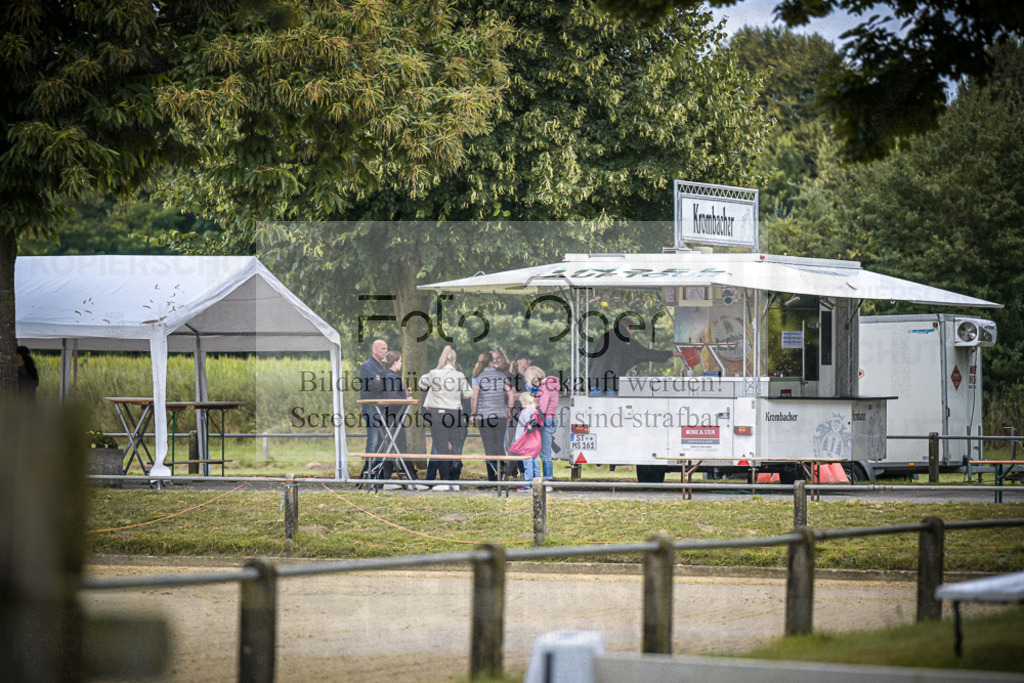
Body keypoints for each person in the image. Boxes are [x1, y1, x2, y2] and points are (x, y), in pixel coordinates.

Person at [419, 346, 472, 491]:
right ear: (454, 360)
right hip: (455, 414)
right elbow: (468, 394)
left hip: (439, 415)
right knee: (454, 447)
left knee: (441, 448)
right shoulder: (460, 376)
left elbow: (422, 384)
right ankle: (453, 481)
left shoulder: (434, 373)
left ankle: (444, 480)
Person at [588, 317, 682, 395]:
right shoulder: (629, 344)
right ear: (629, 328)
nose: (632, 332)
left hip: (595, 380)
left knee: (595, 408)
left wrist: (589, 376)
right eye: (632, 329)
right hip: (612, 383)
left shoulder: (604, 338)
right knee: (612, 408)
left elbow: (593, 359)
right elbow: (648, 354)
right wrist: (671, 353)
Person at [471, 351, 510, 481]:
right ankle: (503, 475)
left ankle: (492, 478)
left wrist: (473, 414)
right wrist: (509, 409)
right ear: (490, 362)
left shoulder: (477, 377)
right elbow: (510, 394)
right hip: (501, 416)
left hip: (484, 417)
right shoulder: (502, 376)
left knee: (489, 448)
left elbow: (474, 397)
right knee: (499, 446)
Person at [378, 350, 414, 481]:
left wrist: (403, 391)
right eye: (400, 361)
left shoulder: (386, 376)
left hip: (391, 415)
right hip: (394, 415)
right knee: (400, 447)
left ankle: (387, 477)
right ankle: (411, 478)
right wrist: (406, 399)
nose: (401, 363)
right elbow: (392, 396)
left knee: (391, 446)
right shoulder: (391, 377)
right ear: (394, 362)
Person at [525, 365, 561, 485]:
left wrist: (535, 407)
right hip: (552, 418)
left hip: (545, 419)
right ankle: (547, 478)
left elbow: (543, 408)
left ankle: (548, 480)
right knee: (546, 452)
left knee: (545, 454)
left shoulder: (545, 387)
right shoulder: (551, 385)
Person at [359, 339, 389, 456]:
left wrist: (381, 380)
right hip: (371, 408)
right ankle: (369, 466)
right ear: (375, 350)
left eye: (387, 349)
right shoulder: (368, 365)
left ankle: (380, 466)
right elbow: (374, 386)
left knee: (384, 440)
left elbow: (388, 384)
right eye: (383, 348)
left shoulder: (384, 366)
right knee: (373, 440)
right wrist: (384, 381)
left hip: (384, 408)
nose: (386, 351)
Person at [505, 350, 532, 477]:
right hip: (515, 411)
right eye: (526, 359)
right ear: (519, 361)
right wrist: (528, 395)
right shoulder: (512, 377)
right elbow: (513, 396)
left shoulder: (529, 377)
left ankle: (516, 471)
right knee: (511, 442)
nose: (529, 362)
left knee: (522, 442)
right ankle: (512, 472)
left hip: (526, 413)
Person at [512, 392, 541, 491]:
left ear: (525, 402)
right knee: (535, 464)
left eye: (522, 402)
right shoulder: (536, 412)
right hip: (535, 442)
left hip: (526, 443)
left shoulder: (525, 412)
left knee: (528, 465)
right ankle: (538, 485)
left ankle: (528, 486)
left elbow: (527, 427)